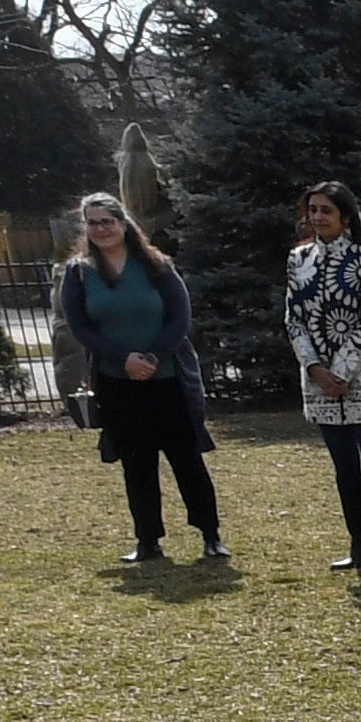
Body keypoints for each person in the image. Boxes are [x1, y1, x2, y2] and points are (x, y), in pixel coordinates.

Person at [49, 193, 219, 565]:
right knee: (137, 463)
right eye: (93, 223)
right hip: (117, 381)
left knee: (186, 458)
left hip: (169, 377)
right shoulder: (78, 273)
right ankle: (148, 540)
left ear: (124, 223)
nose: (101, 229)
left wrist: (152, 357)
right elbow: (79, 326)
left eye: (108, 220)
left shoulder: (157, 265)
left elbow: (180, 319)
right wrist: (123, 359)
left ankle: (210, 535)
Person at [284, 182, 361, 575]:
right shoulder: (298, 259)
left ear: (345, 217)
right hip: (320, 382)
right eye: (313, 210)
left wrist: (342, 370)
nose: (318, 217)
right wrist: (315, 368)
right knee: (344, 468)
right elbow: (294, 319)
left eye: (326, 211)